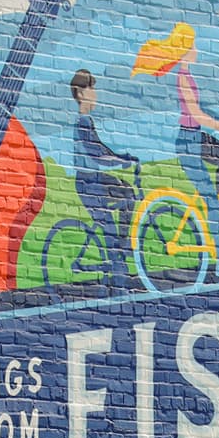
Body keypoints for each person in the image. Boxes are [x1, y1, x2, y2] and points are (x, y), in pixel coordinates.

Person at [131, 23, 219, 281]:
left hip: (195, 138)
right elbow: (197, 114)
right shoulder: (183, 78)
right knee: (211, 201)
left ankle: (216, 212)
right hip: (189, 143)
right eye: (192, 44)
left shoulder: (187, 75)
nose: (196, 49)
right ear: (185, 49)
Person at [69, 69, 139, 286]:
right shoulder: (82, 123)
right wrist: (120, 161)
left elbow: (102, 149)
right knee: (108, 226)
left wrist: (123, 157)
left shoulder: (87, 121)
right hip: (88, 184)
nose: (95, 93)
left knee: (128, 193)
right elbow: (96, 153)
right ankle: (117, 261)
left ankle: (123, 246)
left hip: (96, 180)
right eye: (91, 88)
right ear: (81, 94)